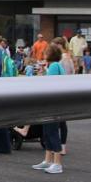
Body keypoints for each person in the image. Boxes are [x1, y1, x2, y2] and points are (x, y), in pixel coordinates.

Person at [32, 44, 67, 174]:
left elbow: (49, 85)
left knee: (51, 132)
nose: (44, 53)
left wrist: (41, 74)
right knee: (47, 131)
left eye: (46, 52)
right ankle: (48, 160)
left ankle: (57, 163)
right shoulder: (57, 66)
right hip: (56, 103)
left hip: (52, 104)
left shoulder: (53, 66)